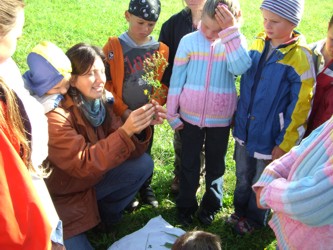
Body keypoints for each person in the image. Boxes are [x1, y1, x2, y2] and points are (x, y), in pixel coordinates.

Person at [44, 43, 166, 250]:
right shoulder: (56, 115)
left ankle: (105, 217)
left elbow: (128, 151)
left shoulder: (100, 103)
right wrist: (125, 132)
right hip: (65, 199)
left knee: (143, 164)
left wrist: (141, 125)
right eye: (91, 73)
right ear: (72, 80)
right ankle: (86, 220)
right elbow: (82, 164)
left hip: (93, 181)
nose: (101, 80)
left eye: (102, 70)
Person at [230, 0, 315, 235]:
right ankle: (239, 210)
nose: (267, 25)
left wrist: (285, 143)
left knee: (262, 182)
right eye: (265, 18)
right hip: (245, 132)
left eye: (275, 21)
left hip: (270, 139)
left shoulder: (300, 58)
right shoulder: (257, 43)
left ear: (293, 23)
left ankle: (256, 219)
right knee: (242, 175)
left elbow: (300, 107)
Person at [166, 0, 251, 226]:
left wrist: (230, 36)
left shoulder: (235, 42)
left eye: (218, 30)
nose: (211, 34)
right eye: (206, 27)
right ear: (201, 16)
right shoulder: (188, 42)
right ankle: (185, 205)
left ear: (232, 26)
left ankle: (211, 205)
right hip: (189, 117)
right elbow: (177, 79)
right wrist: (171, 112)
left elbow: (240, 68)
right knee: (189, 163)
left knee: (216, 165)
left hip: (220, 119)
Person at [0, 0, 63, 249]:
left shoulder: (6, 64)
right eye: (18, 31)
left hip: (30, 176)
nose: (21, 36)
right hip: (18, 199)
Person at [103, 0, 169, 208]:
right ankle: (126, 187)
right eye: (140, 23)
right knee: (121, 148)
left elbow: (161, 84)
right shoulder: (114, 46)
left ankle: (144, 186)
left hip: (145, 116)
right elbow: (107, 83)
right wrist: (122, 111)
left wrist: (154, 107)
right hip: (119, 115)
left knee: (144, 148)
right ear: (127, 16)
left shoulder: (161, 49)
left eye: (151, 24)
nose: (145, 29)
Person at [253, 116, 333, 249]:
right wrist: (272, 174)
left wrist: (269, 192)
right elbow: (308, 146)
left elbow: (314, 202)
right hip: (293, 236)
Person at [159, 0, 207, 194]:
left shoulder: (220, 21)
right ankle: (180, 172)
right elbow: (165, 65)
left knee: (203, 140)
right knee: (181, 137)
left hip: (207, 98)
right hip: (182, 97)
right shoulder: (172, 25)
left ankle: (199, 174)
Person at [23, 41, 72, 114]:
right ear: (40, 86)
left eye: (67, 83)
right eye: (57, 88)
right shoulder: (24, 92)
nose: (64, 91)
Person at [304, 15, 333, 136]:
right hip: (287, 138)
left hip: (318, 146)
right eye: (332, 39)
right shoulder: (305, 54)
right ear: (328, 27)